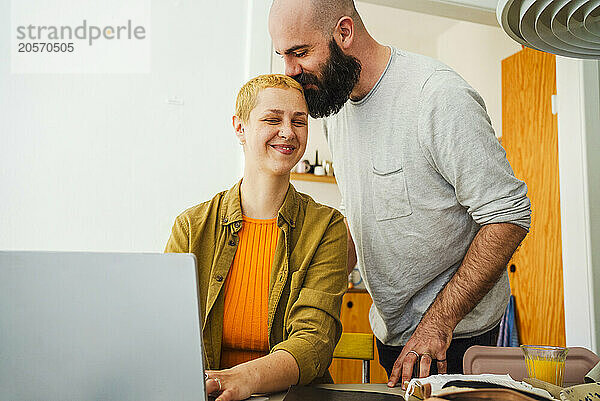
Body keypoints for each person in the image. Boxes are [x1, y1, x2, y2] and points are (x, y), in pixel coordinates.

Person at [269, 0, 531, 389]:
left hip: (456, 337)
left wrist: (438, 323)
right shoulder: (337, 110)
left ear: (344, 32)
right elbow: (359, 213)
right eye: (282, 55)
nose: (288, 70)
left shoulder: (436, 96)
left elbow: (509, 215)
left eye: (300, 52)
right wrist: (313, 284)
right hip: (392, 335)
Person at [165, 74, 348, 401]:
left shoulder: (326, 227)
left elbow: (312, 342)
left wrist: (240, 380)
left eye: (299, 121)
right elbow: (164, 331)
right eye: (272, 119)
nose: (288, 131)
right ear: (239, 127)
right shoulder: (191, 227)